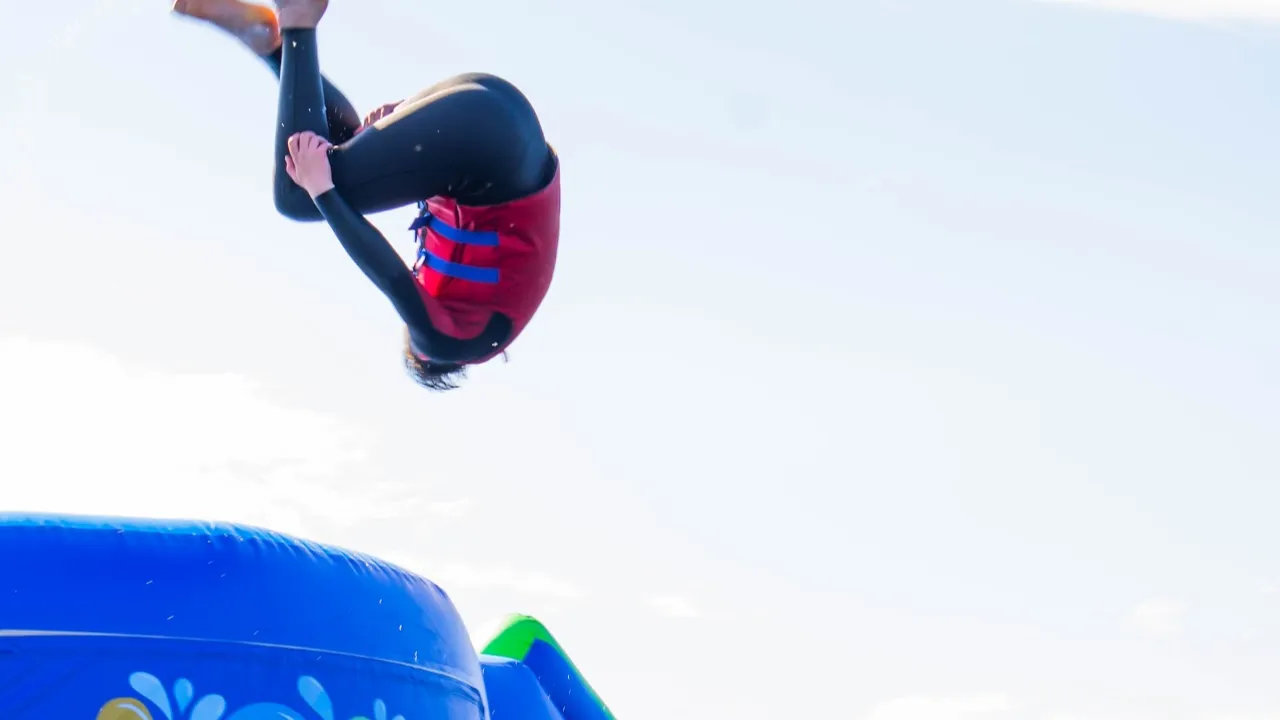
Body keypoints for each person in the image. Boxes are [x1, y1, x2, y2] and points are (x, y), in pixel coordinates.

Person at [172, 0, 561, 391]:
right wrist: (321, 192)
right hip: (487, 145)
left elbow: (468, 214)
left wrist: (403, 123)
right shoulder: (446, 343)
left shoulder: (483, 302)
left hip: (493, 103)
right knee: (296, 196)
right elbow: (389, 277)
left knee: (338, 151)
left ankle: (271, 44)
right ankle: (297, 23)